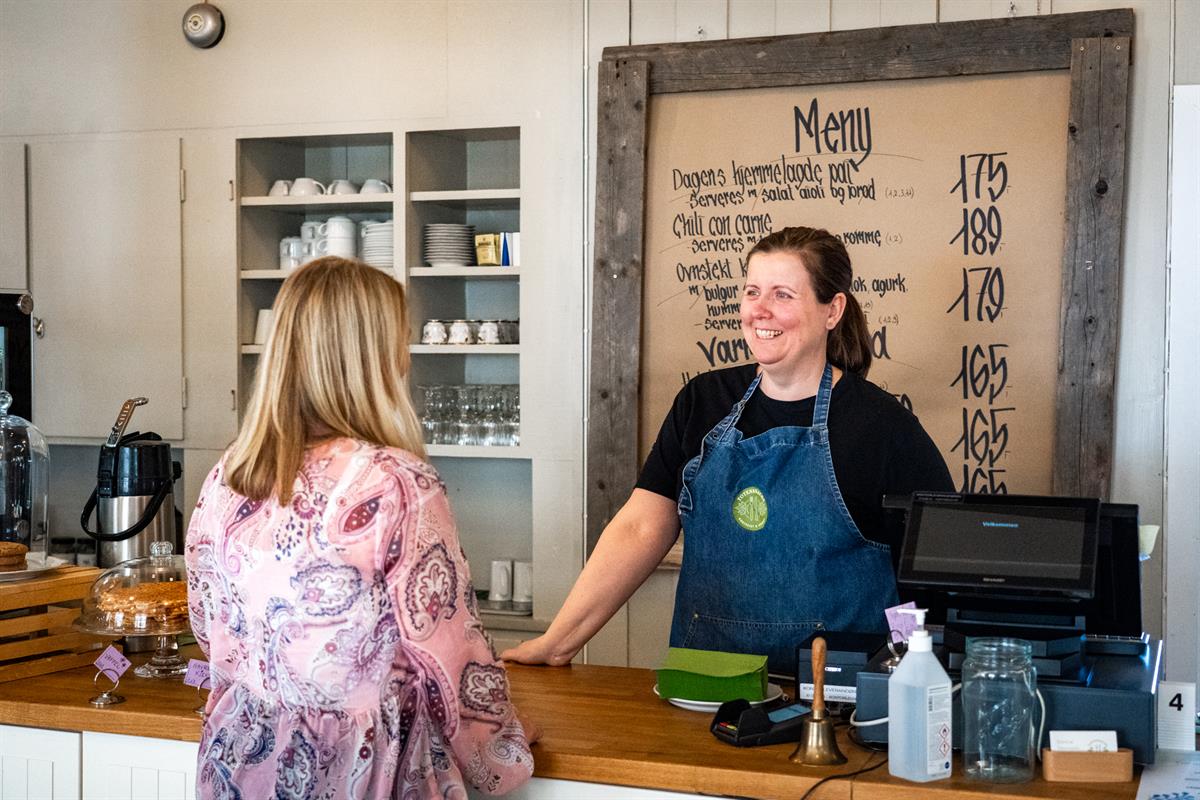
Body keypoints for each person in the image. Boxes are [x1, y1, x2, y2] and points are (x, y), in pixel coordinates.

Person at [503, 226, 953, 674]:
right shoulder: (702, 402)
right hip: (705, 683)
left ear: (832, 310)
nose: (760, 310)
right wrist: (557, 643)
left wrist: (904, 683)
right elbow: (641, 529)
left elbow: (930, 577)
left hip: (829, 702)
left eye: (783, 295)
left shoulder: (880, 426)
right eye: (752, 291)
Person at [185, 257, 535, 799]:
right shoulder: (395, 483)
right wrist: (501, 751)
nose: (406, 358)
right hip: (360, 766)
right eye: (399, 340)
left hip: (243, 755)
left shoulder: (230, 475)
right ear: (371, 358)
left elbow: (211, 627)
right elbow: (450, 655)